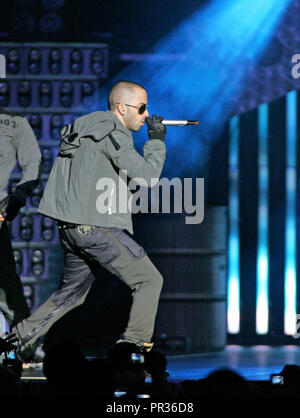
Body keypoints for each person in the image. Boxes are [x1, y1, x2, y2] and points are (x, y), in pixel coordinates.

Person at [8, 81, 166, 361]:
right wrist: (155, 141)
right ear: (122, 108)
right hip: (97, 227)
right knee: (149, 280)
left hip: (71, 229)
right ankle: (135, 347)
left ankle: (17, 339)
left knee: (71, 295)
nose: (145, 114)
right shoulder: (112, 130)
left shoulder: (83, 128)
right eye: (142, 108)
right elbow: (147, 176)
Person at [0, 110, 41, 330]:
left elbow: (33, 166)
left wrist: (13, 204)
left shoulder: (14, 123)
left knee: (7, 284)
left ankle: (27, 345)